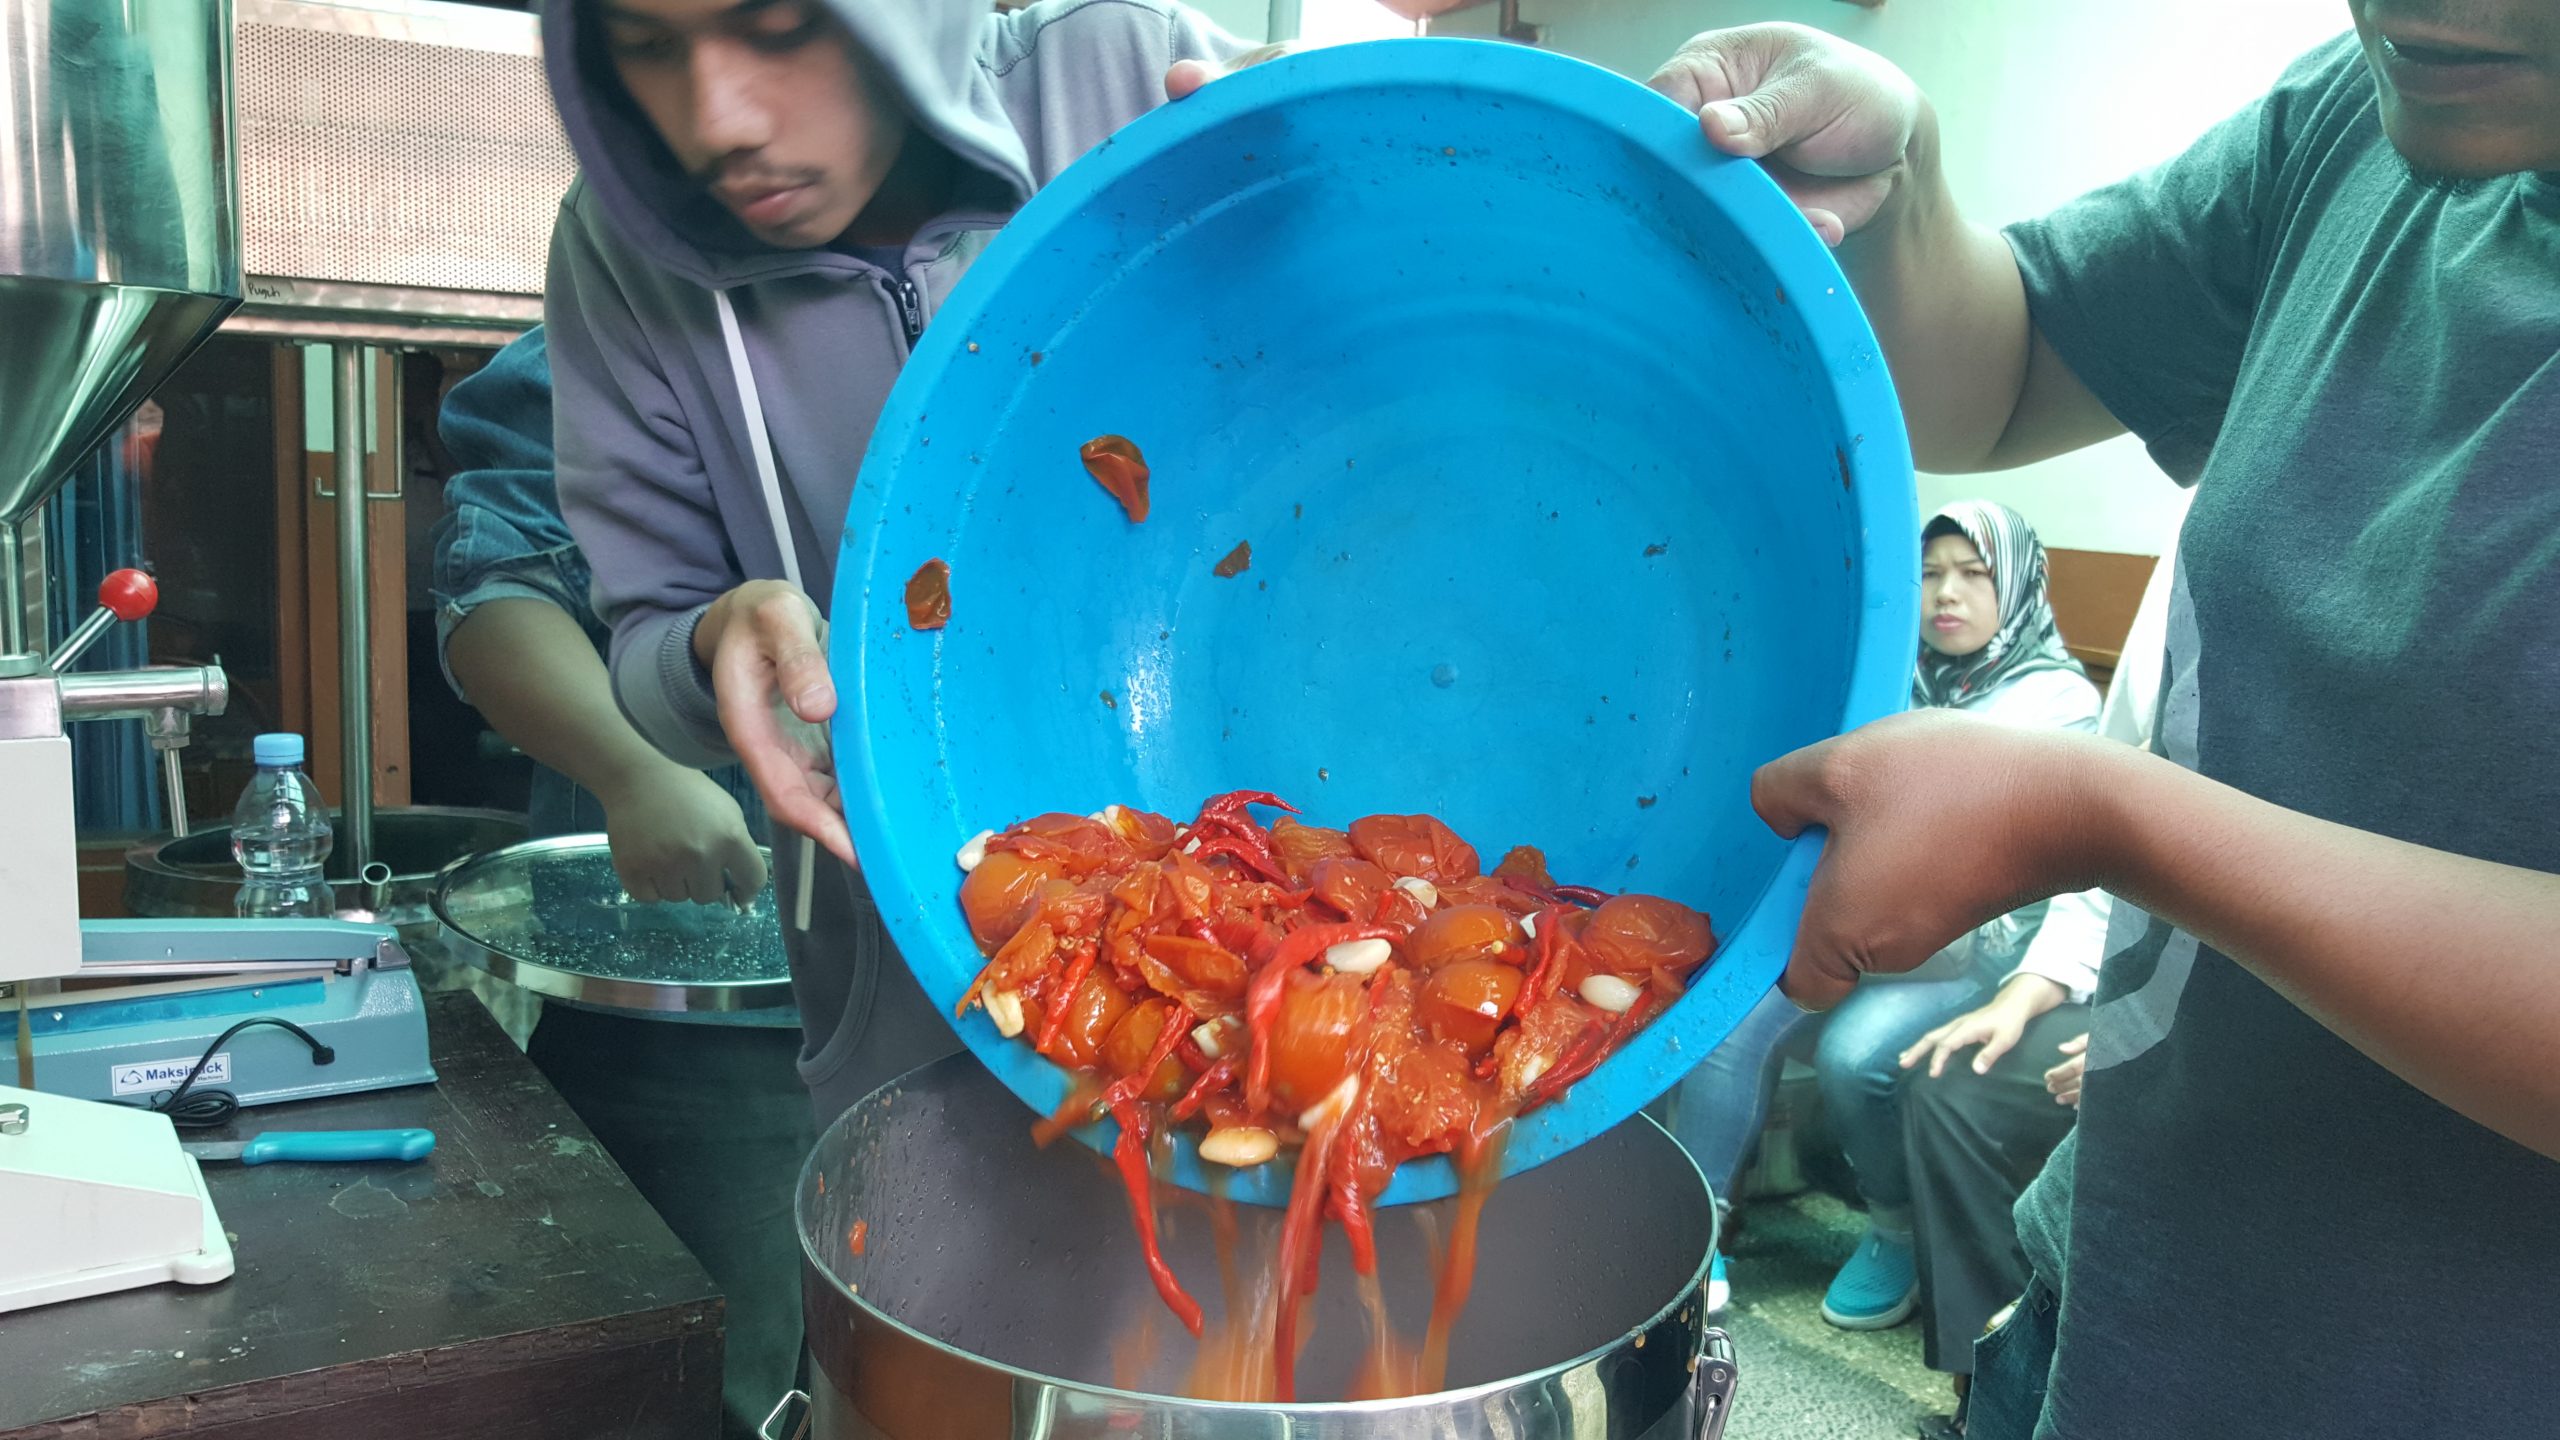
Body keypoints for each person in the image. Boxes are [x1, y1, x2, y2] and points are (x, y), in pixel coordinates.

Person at [1654, 8, 2560, 1436]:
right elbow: (2005, 372)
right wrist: (1905, 193)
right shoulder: (2375, 110)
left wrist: (2097, 814)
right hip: (2124, 1289)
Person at [535, 0, 1257, 1127]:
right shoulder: (619, 254)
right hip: (909, 1029)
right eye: (643, 42)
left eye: (776, 21)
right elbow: (649, 643)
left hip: (1270, 935)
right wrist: (716, 639)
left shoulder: (1118, 72)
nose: (715, 118)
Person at [432, 326, 812, 1440]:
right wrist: (636, 771)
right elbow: (490, 583)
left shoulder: (956, 325)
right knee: (702, 1396)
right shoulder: (616, 328)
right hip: (693, 1008)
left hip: (962, 1000)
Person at [1665, 501, 2109, 1329]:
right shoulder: (1897, 674)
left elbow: (1935, 806)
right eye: (1932, 573)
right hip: (1857, 923)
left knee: (1855, 1054)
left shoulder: (2054, 701)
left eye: (1974, 575)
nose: (1948, 594)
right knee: (1726, 1027)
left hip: (1967, 946)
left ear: (2015, 586)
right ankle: (1697, 1235)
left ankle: (1895, 1230)